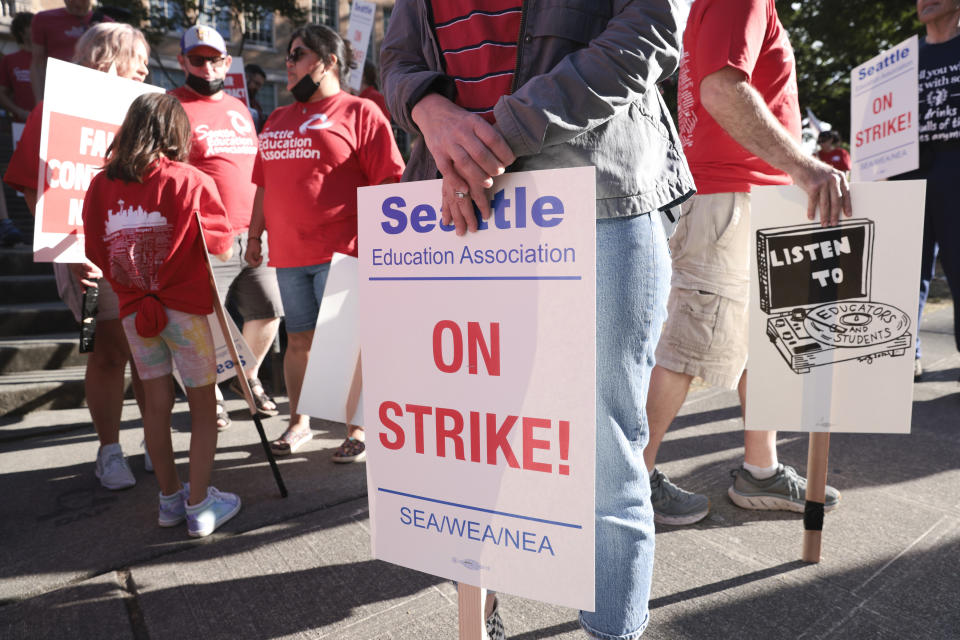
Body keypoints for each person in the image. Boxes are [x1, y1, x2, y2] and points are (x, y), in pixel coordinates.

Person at [381, 2, 694, 638]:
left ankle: (612, 628)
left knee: (603, 453)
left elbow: (649, 29)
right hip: (453, 205)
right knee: (462, 440)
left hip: (593, 197)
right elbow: (397, 58)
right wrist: (431, 113)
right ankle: (480, 613)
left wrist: (498, 133)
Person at [644, 0, 848, 527]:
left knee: (765, 340)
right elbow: (720, 89)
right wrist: (805, 167)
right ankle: (631, 482)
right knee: (688, 345)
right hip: (731, 196)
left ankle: (761, 469)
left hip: (741, 195)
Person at [83, 92, 241, 537]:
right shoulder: (188, 179)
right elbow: (221, 244)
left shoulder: (101, 185)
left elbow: (95, 248)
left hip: (135, 310)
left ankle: (169, 501)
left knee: (154, 405)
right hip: (184, 308)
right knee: (203, 406)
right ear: (177, 133)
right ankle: (200, 503)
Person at [246, 25, 404, 462]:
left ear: (328, 60)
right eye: (288, 57)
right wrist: (254, 235)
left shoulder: (362, 113)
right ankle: (299, 423)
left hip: (345, 253)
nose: (289, 64)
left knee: (349, 345)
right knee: (298, 344)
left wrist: (383, 249)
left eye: (297, 55)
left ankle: (359, 429)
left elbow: (389, 184)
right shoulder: (277, 118)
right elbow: (262, 185)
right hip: (289, 255)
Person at [4, 23, 149, 490]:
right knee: (107, 353)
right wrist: (71, 248)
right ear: (108, 59)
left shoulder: (144, 116)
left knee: (150, 353)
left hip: (142, 255)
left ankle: (155, 440)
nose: (146, 68)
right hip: (85, 260)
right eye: (137, 58)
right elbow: (32, 187)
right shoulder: (53, 111)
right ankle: (109, 451)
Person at [171, 25, 283, 427]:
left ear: (227, 62)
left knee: (269, 311)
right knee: (199, 322)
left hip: (251, 230)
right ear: (183, 61)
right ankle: (209, 395)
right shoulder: (170, 106)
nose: (206, 67)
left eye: (213, 59)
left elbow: (256, 171)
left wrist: (261, 226)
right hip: (200, 234)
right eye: (197, 59)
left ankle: (246, 378)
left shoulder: (240, 109)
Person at [898, 0, 960, 382]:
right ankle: (905, 356)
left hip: (955, 169)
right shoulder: (902, 60)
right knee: (905, 269)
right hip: (910, 172)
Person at [30, 0, 112, 103]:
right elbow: (38, 64)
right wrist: (40, 101)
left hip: (91, 94)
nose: (77, 4)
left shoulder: (108, 25)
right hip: (56, 92)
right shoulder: (43, 19)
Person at [0, 12, 36, 122]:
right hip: (22, 124)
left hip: (50, 123)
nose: (38, 27)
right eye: (32, 25)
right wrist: (19, 112)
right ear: (22, 33)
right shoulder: (9, 60)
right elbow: (1, 93)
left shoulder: (49, 57)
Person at [244, 63, 268, 132]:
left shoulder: (256, 105)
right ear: (246, 78)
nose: (257, 88)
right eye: (256, 83)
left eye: (260, 86)